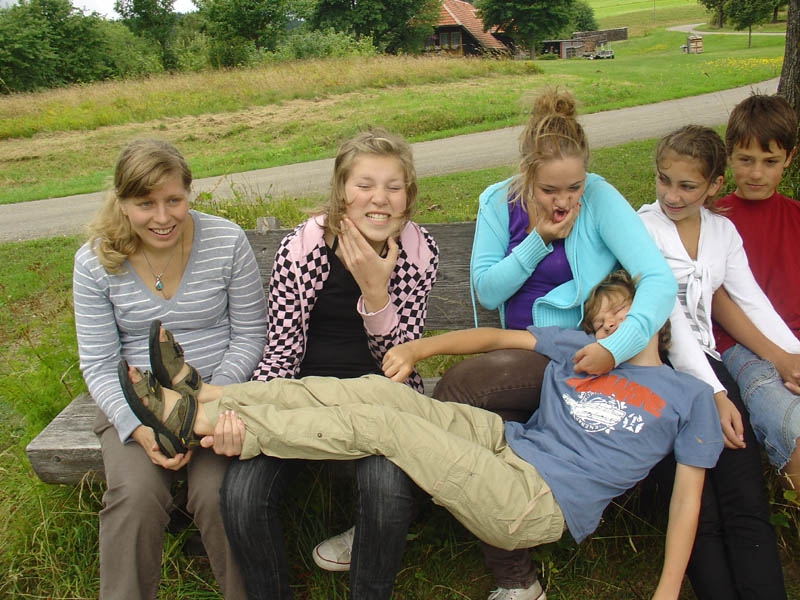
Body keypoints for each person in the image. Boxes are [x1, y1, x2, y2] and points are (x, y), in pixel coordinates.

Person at [121, 270, 724, 600]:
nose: (608, 324)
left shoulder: (691, 396)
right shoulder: (578, 349)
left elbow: (687, 500)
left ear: (654, 317)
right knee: (376, 392)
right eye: (600, 318)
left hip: (536, 501)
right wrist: (420, 348)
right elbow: (494, 338)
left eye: (622, 312)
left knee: (382, 426)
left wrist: (667, 591)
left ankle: (194, 424)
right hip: (506, 444)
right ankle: (209, 396)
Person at [432, 87, 678, 599]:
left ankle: (509, 570)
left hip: (577, 352)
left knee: (461, 393)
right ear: (526, 175)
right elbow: (487, 290)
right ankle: (515, 573)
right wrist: (538, 239)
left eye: (574, 187)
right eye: (548, 190)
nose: (564, 200)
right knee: (481, 414)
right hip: (521, 349)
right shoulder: (498, 203)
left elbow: (657, 278)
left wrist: (617, 345)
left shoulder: (601, 198)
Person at [218, 128, 439, 599]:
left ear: (408, 195)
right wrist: (257, 409)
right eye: (364, 185)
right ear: (341, 191)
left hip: (380, 398)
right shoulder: (302, 250)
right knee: (241, 496)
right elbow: (280, 350)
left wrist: (376, 292)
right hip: (303, 394)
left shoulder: (419, 254)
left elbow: (399, 361)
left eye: (393, 186)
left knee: (386, 490)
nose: (379, 199)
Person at [72, 138, 268, 598]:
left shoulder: (226, 241)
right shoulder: (95, 261)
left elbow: (250, 335)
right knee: (133, 498)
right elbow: (99, 362)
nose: (163, 218)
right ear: (123, 203)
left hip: (218, 394)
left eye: (174, 201)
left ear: (188, 194)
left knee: (220, 496)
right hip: (136, 401)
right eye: (146, 204)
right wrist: (138, 428)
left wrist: (208, 402)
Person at [638, 124, 787, 599]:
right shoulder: (644, 228)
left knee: (745, 498)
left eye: (688, 186)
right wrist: (717, 395)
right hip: (658, 369)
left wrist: (792, 357)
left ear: (714, 184)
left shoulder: (722, 230)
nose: (672, 195)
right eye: (664, 180)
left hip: (707, 362)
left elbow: (752, 300)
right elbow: (670, 321)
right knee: (700, 505)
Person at [709, 93, 800, 491]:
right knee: (791, 424)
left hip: (794, 340)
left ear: (789, 158)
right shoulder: (712, 219)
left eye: (770, 161)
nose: (757, 174)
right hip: (743, 347)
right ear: (729, 155)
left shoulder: (795, 216)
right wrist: (780, 358)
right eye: (745, 160)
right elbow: (717, 300)